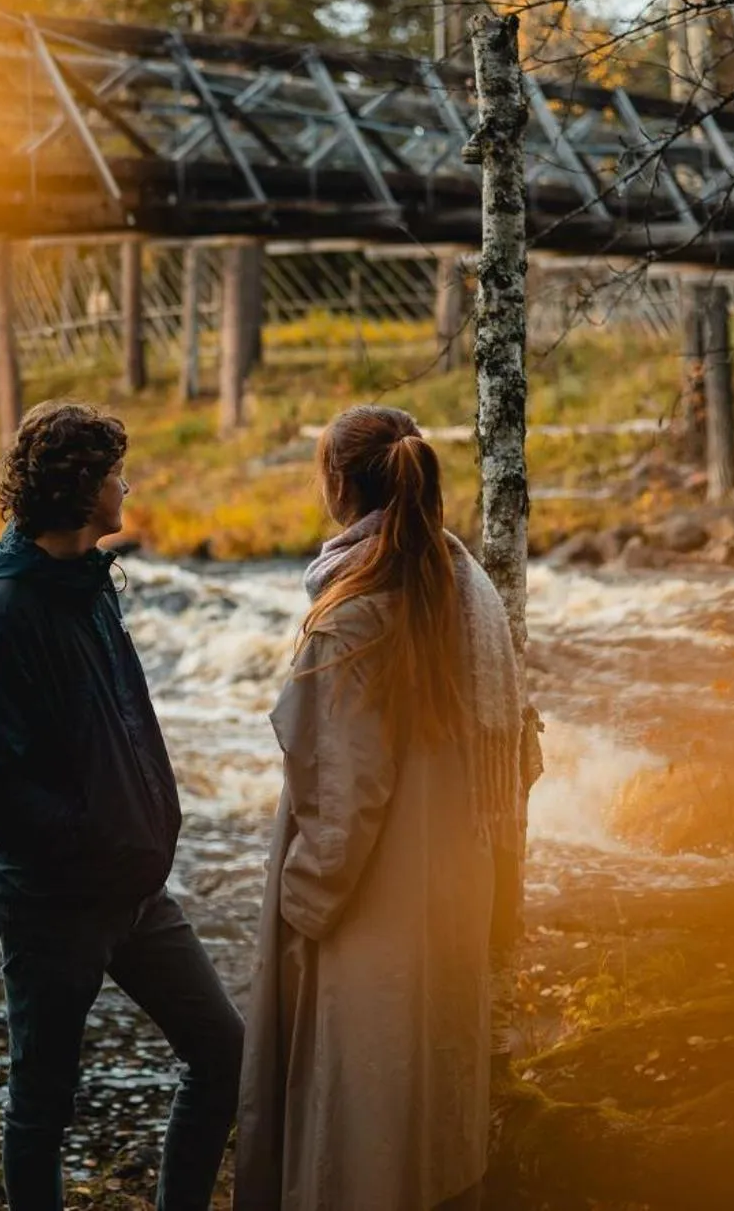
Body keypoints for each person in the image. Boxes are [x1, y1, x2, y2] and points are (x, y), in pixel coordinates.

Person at [235, 404, 527, 1211]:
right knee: (438, 1113)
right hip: (456, 893)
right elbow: (516, 757)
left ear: (338, 484)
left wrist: (302, 905)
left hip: (373, 908)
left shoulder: (353, 616)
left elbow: (345, 796)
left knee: (361, 1125)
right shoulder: (469, 591)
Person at [0, 400, 244, 1211]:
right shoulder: (8, 612)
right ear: (84, 490)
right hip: (54, 901)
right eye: (119, 472)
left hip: (136, 891)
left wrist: (135, 838)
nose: (129, 484)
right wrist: (92, 839)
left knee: (224, 1053)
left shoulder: (91, 584)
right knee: (42, 1109)